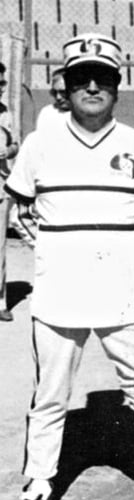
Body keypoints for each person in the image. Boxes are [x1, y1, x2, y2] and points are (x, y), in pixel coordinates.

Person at [3, 33, 134, 500]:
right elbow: (23, 212)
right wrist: (56, 251)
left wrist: (127, 252)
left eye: (104, 78)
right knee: (50, 395)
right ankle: (38, 489)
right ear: (65, 87)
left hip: (125, 292)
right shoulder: (39, 144)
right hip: (58, 294)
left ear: (117, 85)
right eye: (80, 78)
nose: (92, 86)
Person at [0, 61, 19, 323]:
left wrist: (9, 151)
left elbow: (16, 143)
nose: (1, 88)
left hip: (0, 187)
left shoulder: (6, 114)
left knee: (0, 247)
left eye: (2, 83)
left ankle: (1, 300)